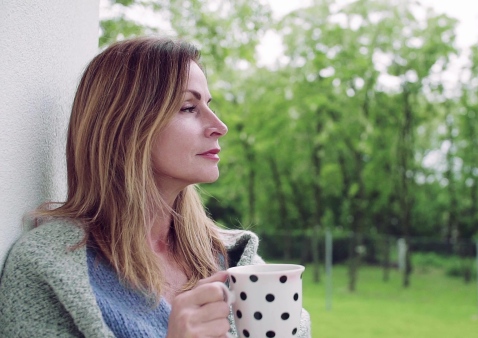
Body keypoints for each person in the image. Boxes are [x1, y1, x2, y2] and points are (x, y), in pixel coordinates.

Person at [0, 36, 310, 338]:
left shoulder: (237, 260)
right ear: (125, 126)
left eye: (208, 104)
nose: (220, 126)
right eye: (189, 108)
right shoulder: (49, 269)